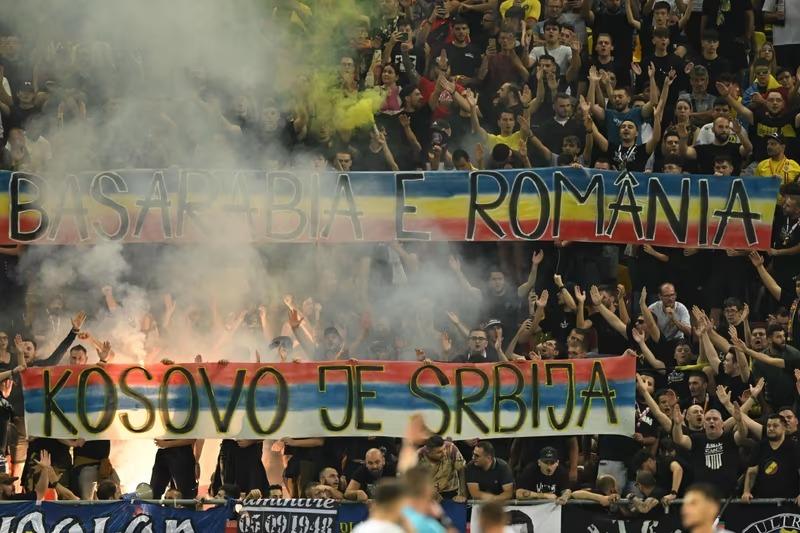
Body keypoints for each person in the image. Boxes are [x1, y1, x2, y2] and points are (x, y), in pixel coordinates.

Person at [742, 414, 800, 502]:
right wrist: (746, 491)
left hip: (789, 501)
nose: (771, 428)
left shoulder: (794, 447)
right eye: (768, 426)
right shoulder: (760, 446)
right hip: (762, 501)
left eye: (775, 426)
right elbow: (752, 472)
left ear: (784, 428)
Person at [416, 435, 466, 501]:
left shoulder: (451, 448)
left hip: (450, 491)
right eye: (439, 452)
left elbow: (461, 469)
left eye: (444, 449)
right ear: (428, 451)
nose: (444, 453)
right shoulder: (418, 456)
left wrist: (462, 493)